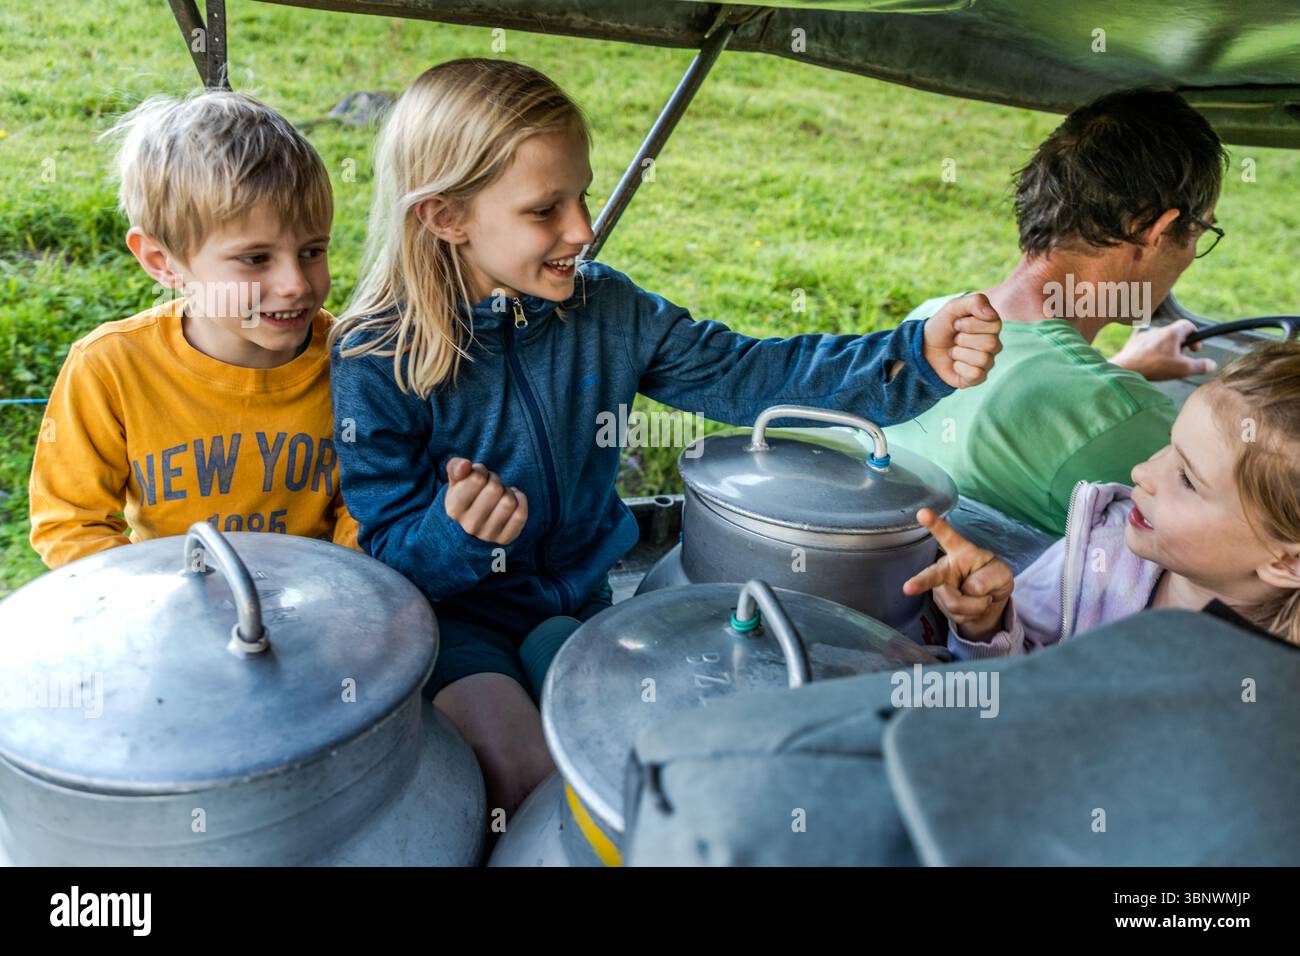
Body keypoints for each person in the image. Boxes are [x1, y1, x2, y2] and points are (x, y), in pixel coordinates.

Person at [329, 58, 1005, 815]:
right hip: (459, 619)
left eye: (581, 195)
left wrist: (912, 356)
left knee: (644, 759)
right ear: (445, 217)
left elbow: (752, 373)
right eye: (544, 209)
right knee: (525, 784)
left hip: (581, 605)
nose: (582, 229)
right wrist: (454, 532)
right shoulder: (374, 357)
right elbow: (388, 554)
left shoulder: (607, 310)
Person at [29, 90, 358, 568]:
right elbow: (71, 521)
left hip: (311, 612)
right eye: (256, 259)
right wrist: (147, 606)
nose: (294, 285)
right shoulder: (110, 368)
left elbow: (367, 507)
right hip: (166, 618)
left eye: (312, 251)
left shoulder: (355, 362)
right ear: (161, 261)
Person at [884, 89, 1228, 535]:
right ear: (1155, 232)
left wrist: (1119, 369)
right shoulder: (1126, 423)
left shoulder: (931, 321)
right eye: (1203, 229)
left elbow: (1038, 414)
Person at [901, 342, 1300, 657]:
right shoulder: (1096, 549)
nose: (1142, 472)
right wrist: (987, 626)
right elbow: (1010, 688)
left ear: (1288, 561)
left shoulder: (1272, 678)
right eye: (1169, 444)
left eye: (1188, 480)